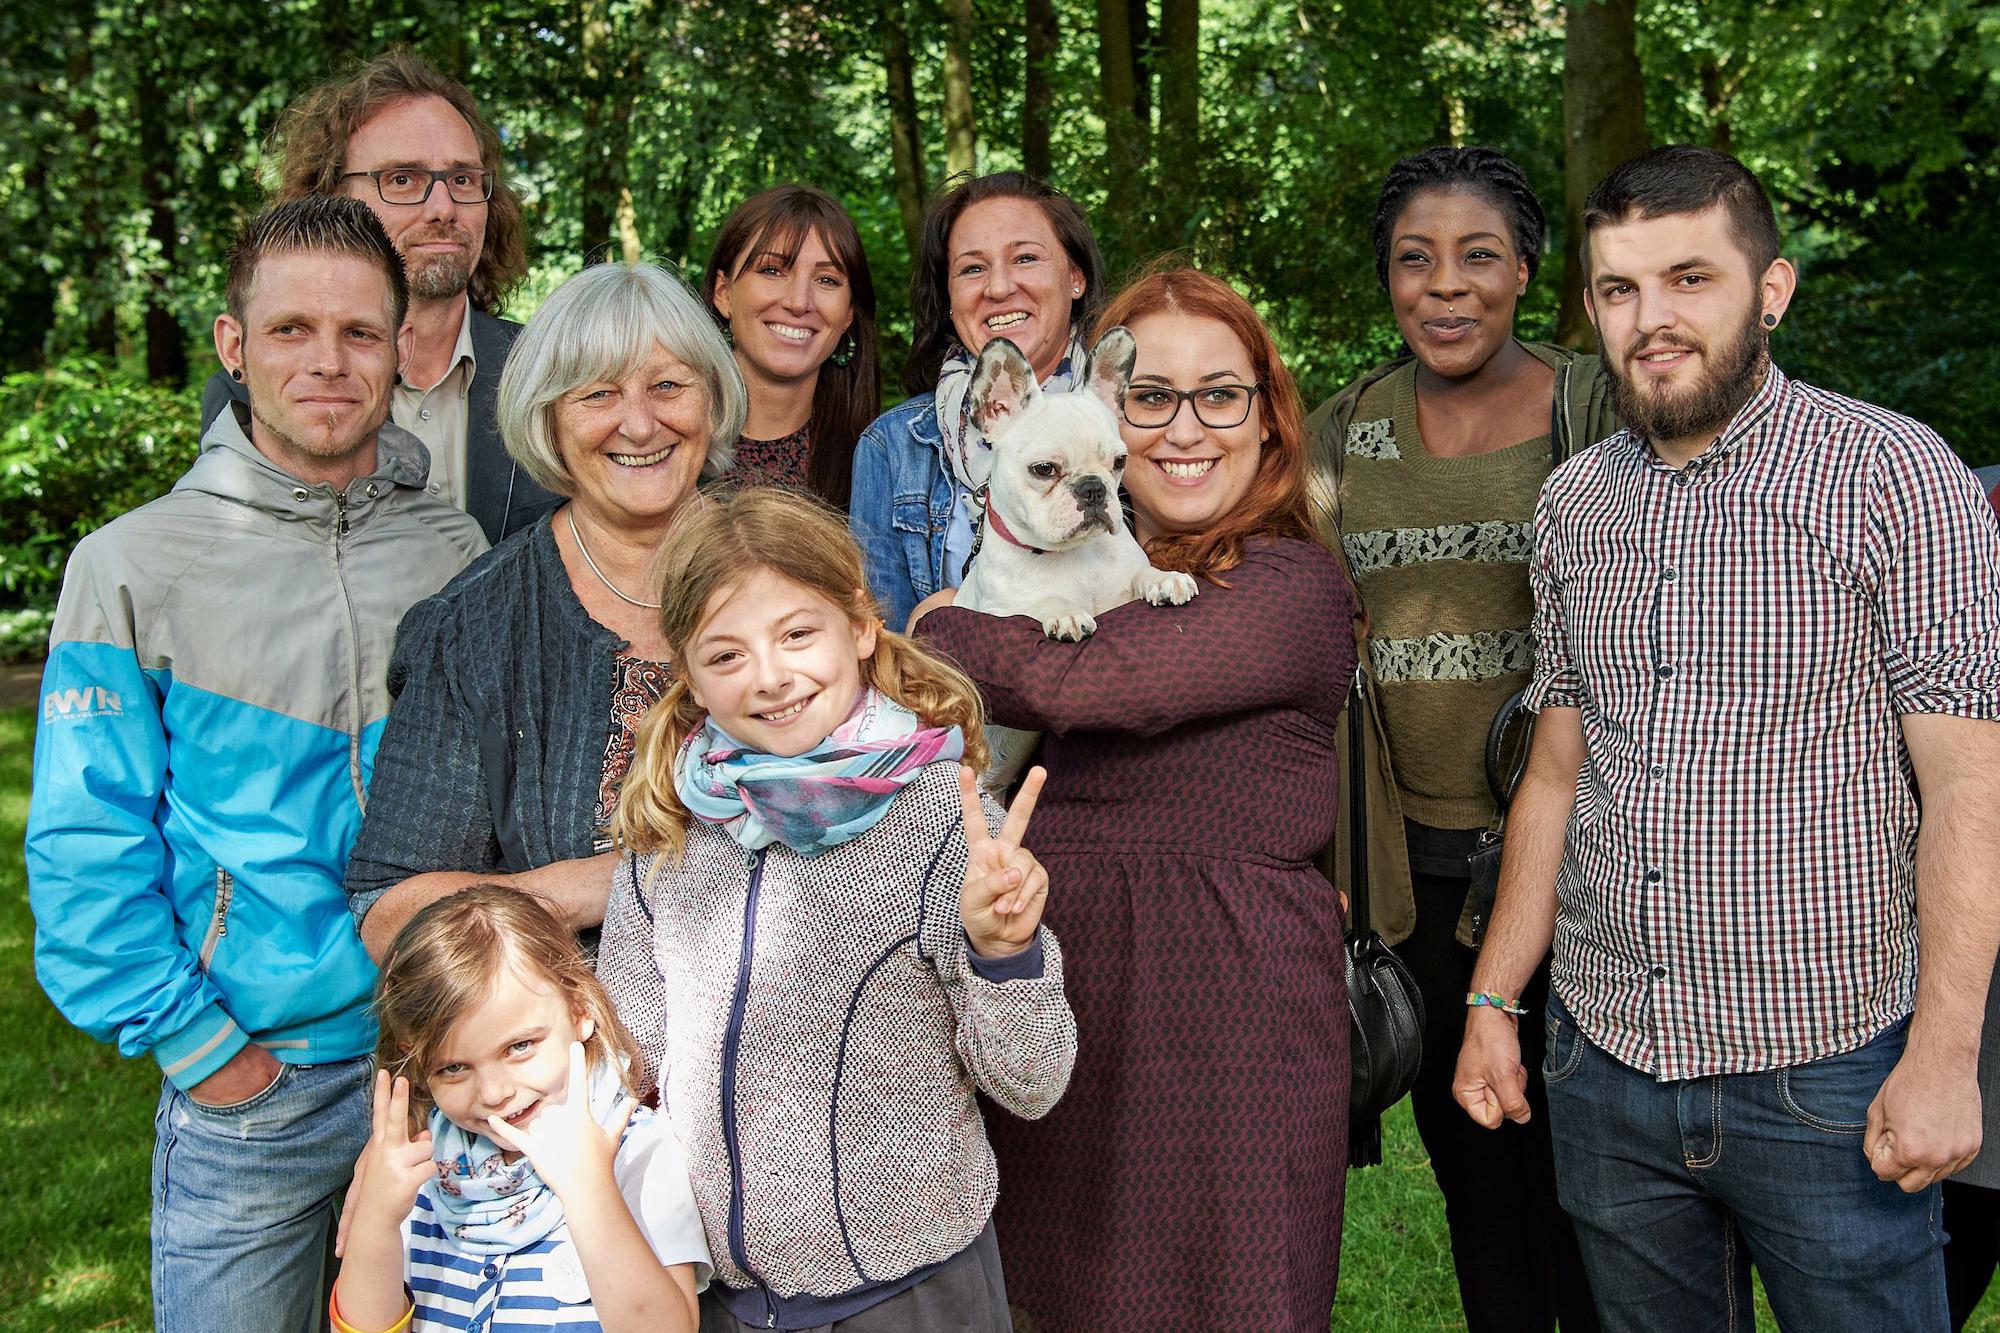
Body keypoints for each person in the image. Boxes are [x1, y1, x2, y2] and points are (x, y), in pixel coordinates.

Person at [1454, 145, 2000, 1332]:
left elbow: (1965, 787)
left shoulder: (1893, 476)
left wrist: (1944, 1057)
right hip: (1602, 1064)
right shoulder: (1572, 503)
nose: (1649, 320)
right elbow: (1555, 770)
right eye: (1616, 288)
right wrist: (1494, 1002)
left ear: (1771, 288)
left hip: (1825, 1066)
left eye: (1688, 278)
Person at [25, 195, 488, 1332]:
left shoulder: (454, 546)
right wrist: (202, 1047)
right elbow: (86, 840)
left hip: (445, 1067)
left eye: (359, 333)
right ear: (234, 345)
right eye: (291, 330)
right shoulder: (131, 564)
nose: (327, 362)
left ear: (397, 347)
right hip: (252, 1089)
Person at [912, 266, 1357, 1331]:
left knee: (1232, 1296)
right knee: (1058, 1299)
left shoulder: (1289, 585)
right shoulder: (1095, 571)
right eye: (1149, 396)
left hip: (1228, 1020)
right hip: (1064, 1008)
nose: (1182, 426)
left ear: (1266, 417)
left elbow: (1091, 680)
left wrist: (936, 629)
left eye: (1220, 393)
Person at [593, 487, 1077, 1330]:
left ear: (858, 626)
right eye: (727, 654)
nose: (771, 676)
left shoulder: (942, 820)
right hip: (718, 1299)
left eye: (796, 633)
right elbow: (632, 1061)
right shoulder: (670, 824)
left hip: (909, 1295)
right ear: (691, 678)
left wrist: (1005, 952)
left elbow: (1033, 1082)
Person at [1304, 145, 1613, 1333]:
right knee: (1476, 1176)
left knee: (1596, 1182)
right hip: (1419, 878)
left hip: (1586, 865)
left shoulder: (1592, 408)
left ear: (1527, 271)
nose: (1444, 285)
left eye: (1477, 255)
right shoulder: (1341, 438)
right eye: (1412, 260)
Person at [343, 261, 746, 957]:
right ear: (549, 421)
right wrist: (597, 886)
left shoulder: (792, 565)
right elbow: (390, 911)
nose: (641, 422)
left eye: (668, 385)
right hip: (562, 1046)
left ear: (712, 403)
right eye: (598, 394)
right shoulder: (477, 628)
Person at [199, 48, 554, 542]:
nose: (443, 207)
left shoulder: (555, 371)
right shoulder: (254, 392)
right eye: (402, 179)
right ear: (328, 198)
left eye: (462, 180)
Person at [332, 887, 710, 1333]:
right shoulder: (416, 1165)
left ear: (580, 1009)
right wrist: (375, 1221)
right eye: (453, 1067)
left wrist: (590, 1191)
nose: (493, 1092)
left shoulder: (638, 1152)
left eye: (519, 1047)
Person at [850, 171, 1107, 629]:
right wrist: (941, 615)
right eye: (972, 268)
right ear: (948, 296)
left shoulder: (1139, 418)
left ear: (1075, 277)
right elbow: (879, 639)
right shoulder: (892, 447)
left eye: (1025, 258)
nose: (999, 287)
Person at [701, 184, 881, 505]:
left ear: (849, 313)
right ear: (724, 293)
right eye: (772, 270)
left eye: (827, 280)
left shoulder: (881, 460)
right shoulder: (665, 439)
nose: (799, 302)